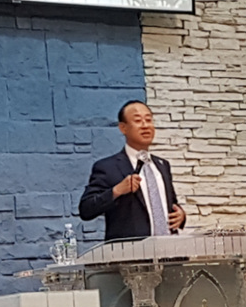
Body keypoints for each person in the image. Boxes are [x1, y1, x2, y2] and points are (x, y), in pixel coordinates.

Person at [79, 101, 186, 242]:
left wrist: (181, 215)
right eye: (138, 120)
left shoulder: (162, 165)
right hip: (131, 252)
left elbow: (172, 204)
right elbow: (86, 210)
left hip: (169, 249)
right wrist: (116, 191)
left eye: (148, 120)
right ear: (123, 128)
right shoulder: (107, 167)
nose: (145, 125)